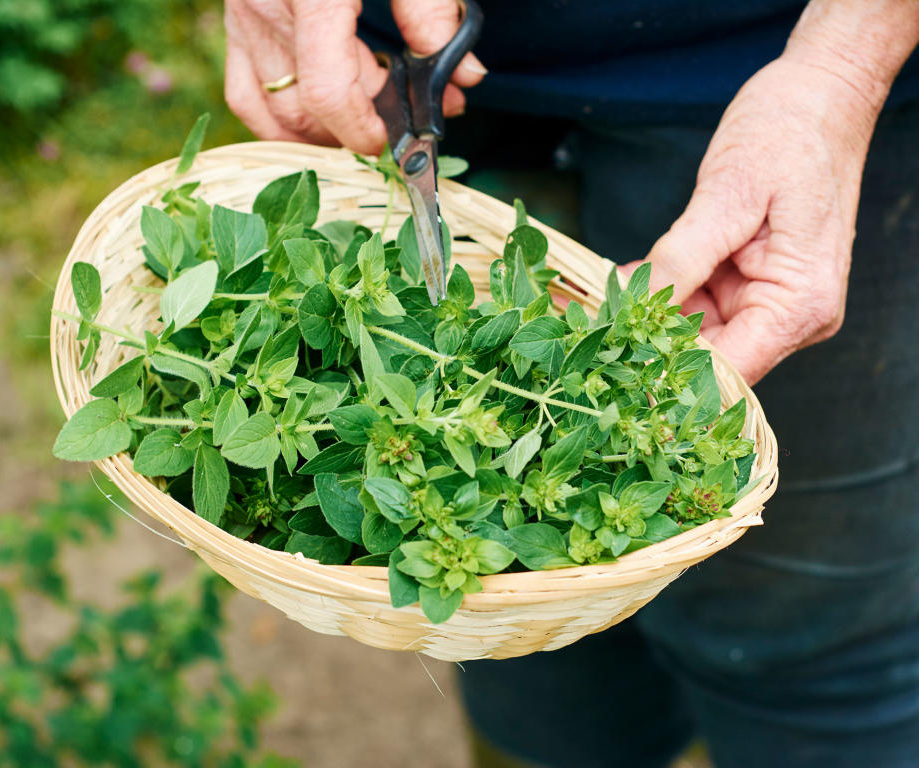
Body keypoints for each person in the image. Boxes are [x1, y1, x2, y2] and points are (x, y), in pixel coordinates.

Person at [223, 1, 919, 765]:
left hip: (766, 72)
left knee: (810, 644)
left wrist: (844, 68)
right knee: (520, 646)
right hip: (407, 78)